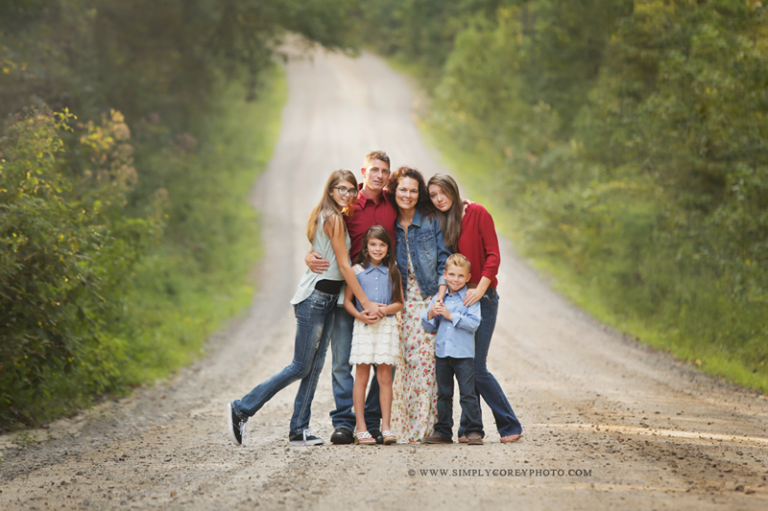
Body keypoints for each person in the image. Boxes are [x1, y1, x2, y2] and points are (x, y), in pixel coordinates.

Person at [227, 170, 378, 447]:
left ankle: (299, 429)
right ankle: (242, 407)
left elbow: (329, 258)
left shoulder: (334, 215)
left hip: (328, 299)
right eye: (340, 189)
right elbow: (344, 266)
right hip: (316, 298)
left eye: (350, 190)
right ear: (330, 191)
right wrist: (365, 302)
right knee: (300, 365)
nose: (346, 194)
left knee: (314, 367)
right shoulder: (332, 217)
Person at [306, 150, 397, 445]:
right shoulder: (348, 205)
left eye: (385, 171)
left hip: (383, 295)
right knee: (343, 361)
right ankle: (345, 423)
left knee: (384, 363)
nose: (379, 175)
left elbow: (420, 201)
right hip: (349, 294)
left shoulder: (392, 203)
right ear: (364, 171)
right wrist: (310, 254)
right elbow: (323, 235)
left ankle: (371, 422)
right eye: (374, 170)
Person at [427, 173, 523, 443]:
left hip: (483, 297)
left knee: (477, 368)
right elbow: (446, 264)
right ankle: (469, 430)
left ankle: (510, 424)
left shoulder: (477, 213)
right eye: (433, 195)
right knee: (465, 369)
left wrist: (481, 288)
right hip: (455, 302)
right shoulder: (443, 222)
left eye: (442, 192)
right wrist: (443, 296)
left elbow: (493, 254)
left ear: (453, 191)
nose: (439, 199)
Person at [388, 166, 451, 443]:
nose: (408, 194)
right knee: (403, 365)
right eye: (403, 189)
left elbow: (443, 260)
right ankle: (404, 428)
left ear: (419, 193)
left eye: (413, 190)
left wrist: (439, 297)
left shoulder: (429, 219)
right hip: (400, 304)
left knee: (425, 364)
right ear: (395, 191)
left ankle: (425, 429)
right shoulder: (389, 221)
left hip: (427, 299)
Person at [344, 226, 404, 445]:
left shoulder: (393, 271)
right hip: (364, 327)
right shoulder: (356, 271)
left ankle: (385, 427)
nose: (377, 249)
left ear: (388, 249)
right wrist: (360, 316)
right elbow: (347, 301)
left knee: (385, 377)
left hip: (386, 328)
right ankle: (360, 428)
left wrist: (384, 310)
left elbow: (399, 303)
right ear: (366, 247)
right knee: (361, 375)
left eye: (382, 245)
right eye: (373, 244)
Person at [421, 254, 484, 445]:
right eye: (451, 275)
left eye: (460, 276)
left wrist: (450, 315)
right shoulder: (439, 299)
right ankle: (443, 431)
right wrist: (431, 314)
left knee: (467, 393)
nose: (455, 279)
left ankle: (473, 430)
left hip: (463, 355)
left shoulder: (470, 298)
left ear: (467, 277)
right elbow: (429, 326)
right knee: (444, 394)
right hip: (442, 354)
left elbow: (474, 323)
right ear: (445, 275)